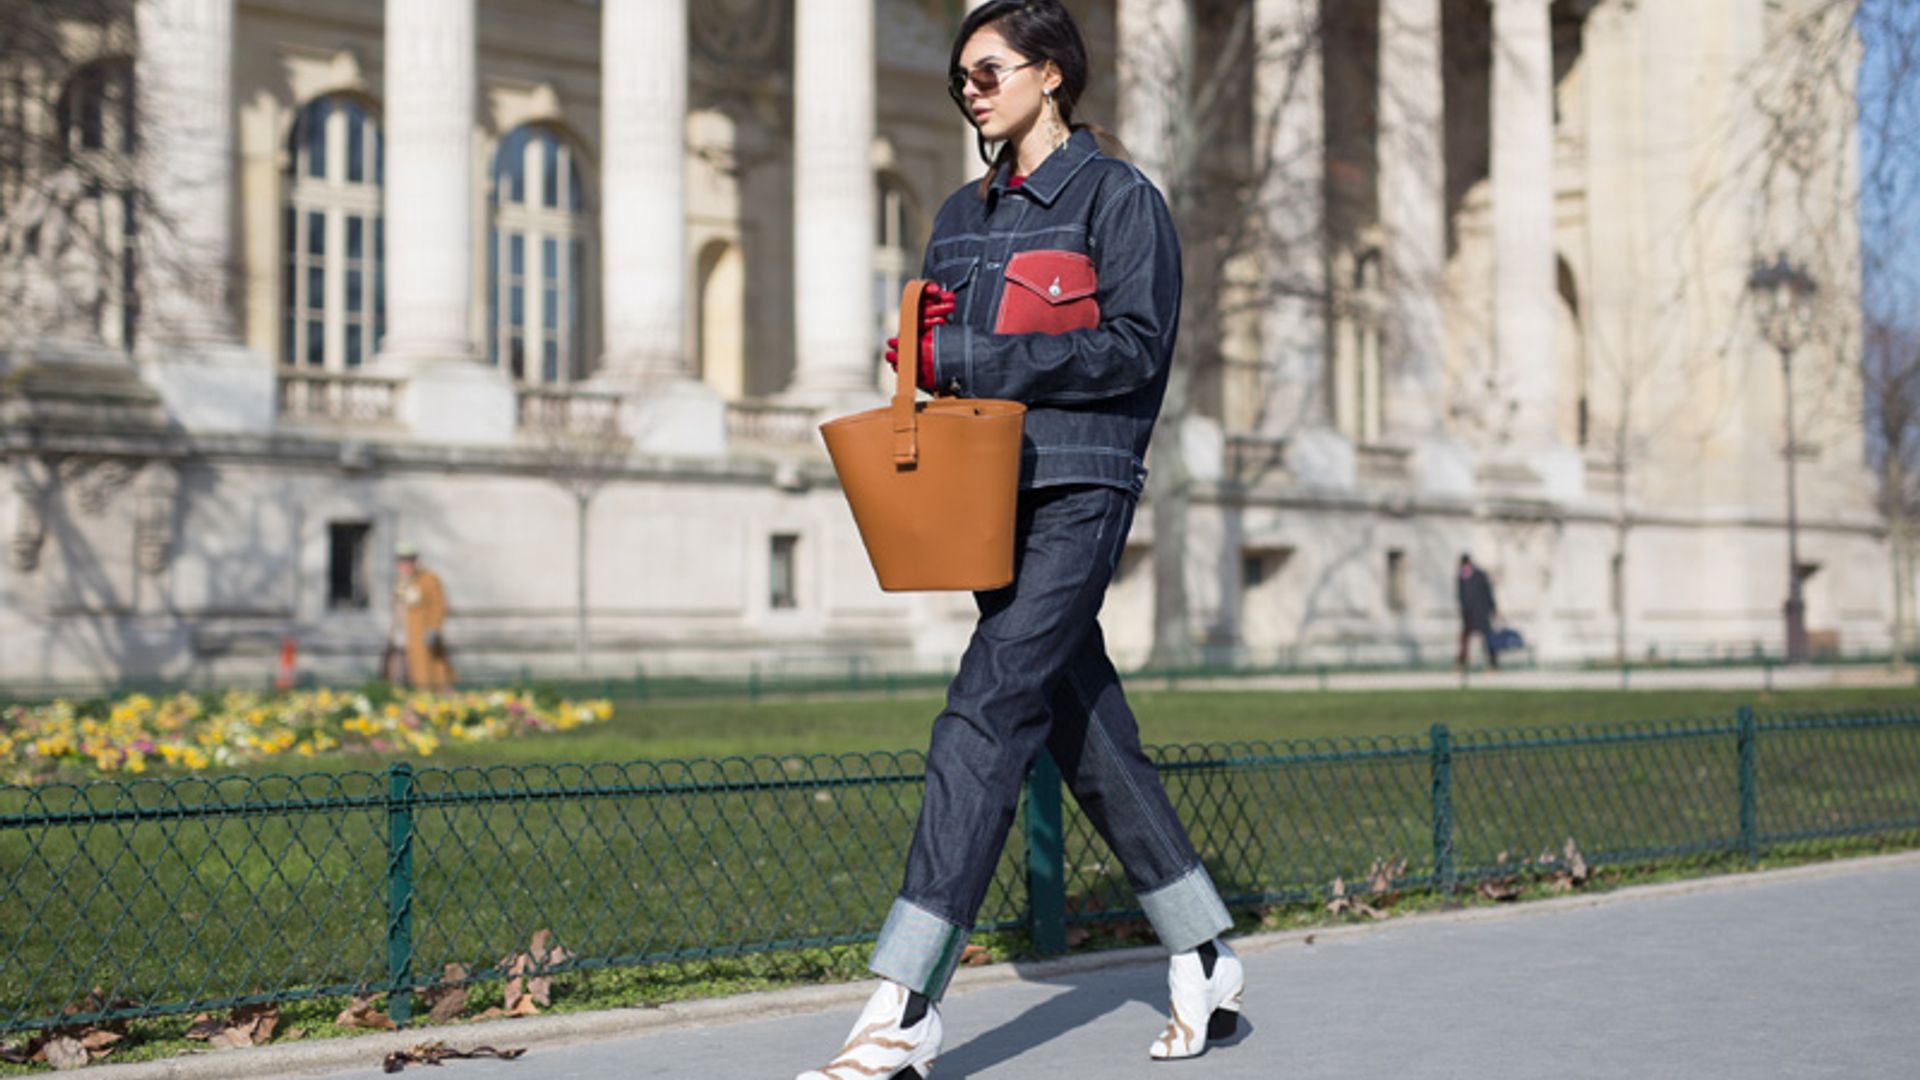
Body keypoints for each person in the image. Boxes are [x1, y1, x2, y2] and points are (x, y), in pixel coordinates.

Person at [798, 4, 1242, 1076]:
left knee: (988, 708)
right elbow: (937, 347)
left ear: (1050, 74)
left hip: (1082, 486)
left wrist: (974, 355)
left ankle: (902, 1003)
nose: (970, 89)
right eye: (960, 77)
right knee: (1076, 720)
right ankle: (1205, 949)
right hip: (979, 493)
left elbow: (1134, 352)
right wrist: (917, 352)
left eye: (989, 70)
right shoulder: (957, 211)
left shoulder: (1119, 198)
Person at [388, 542, 454, 691]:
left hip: (421, 637)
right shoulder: (401, 582)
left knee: (428, 675)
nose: (403, 566)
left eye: (407, 561)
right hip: (400, 638)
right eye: (400, 561)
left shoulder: (428, 579)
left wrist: (434, 629)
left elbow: (439, 606)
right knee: (397, 676)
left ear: (415, 561)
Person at [1457, 554, 1499, 670]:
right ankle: (1461, 662)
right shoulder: (1461, 577)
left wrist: (1493, 609)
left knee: (1487, 639)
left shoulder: (1480, 575)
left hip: (1481, 612)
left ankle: (1492, 663)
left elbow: (1488, 593)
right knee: (1464, 639)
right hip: (1468, 614)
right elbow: (1460, 596)